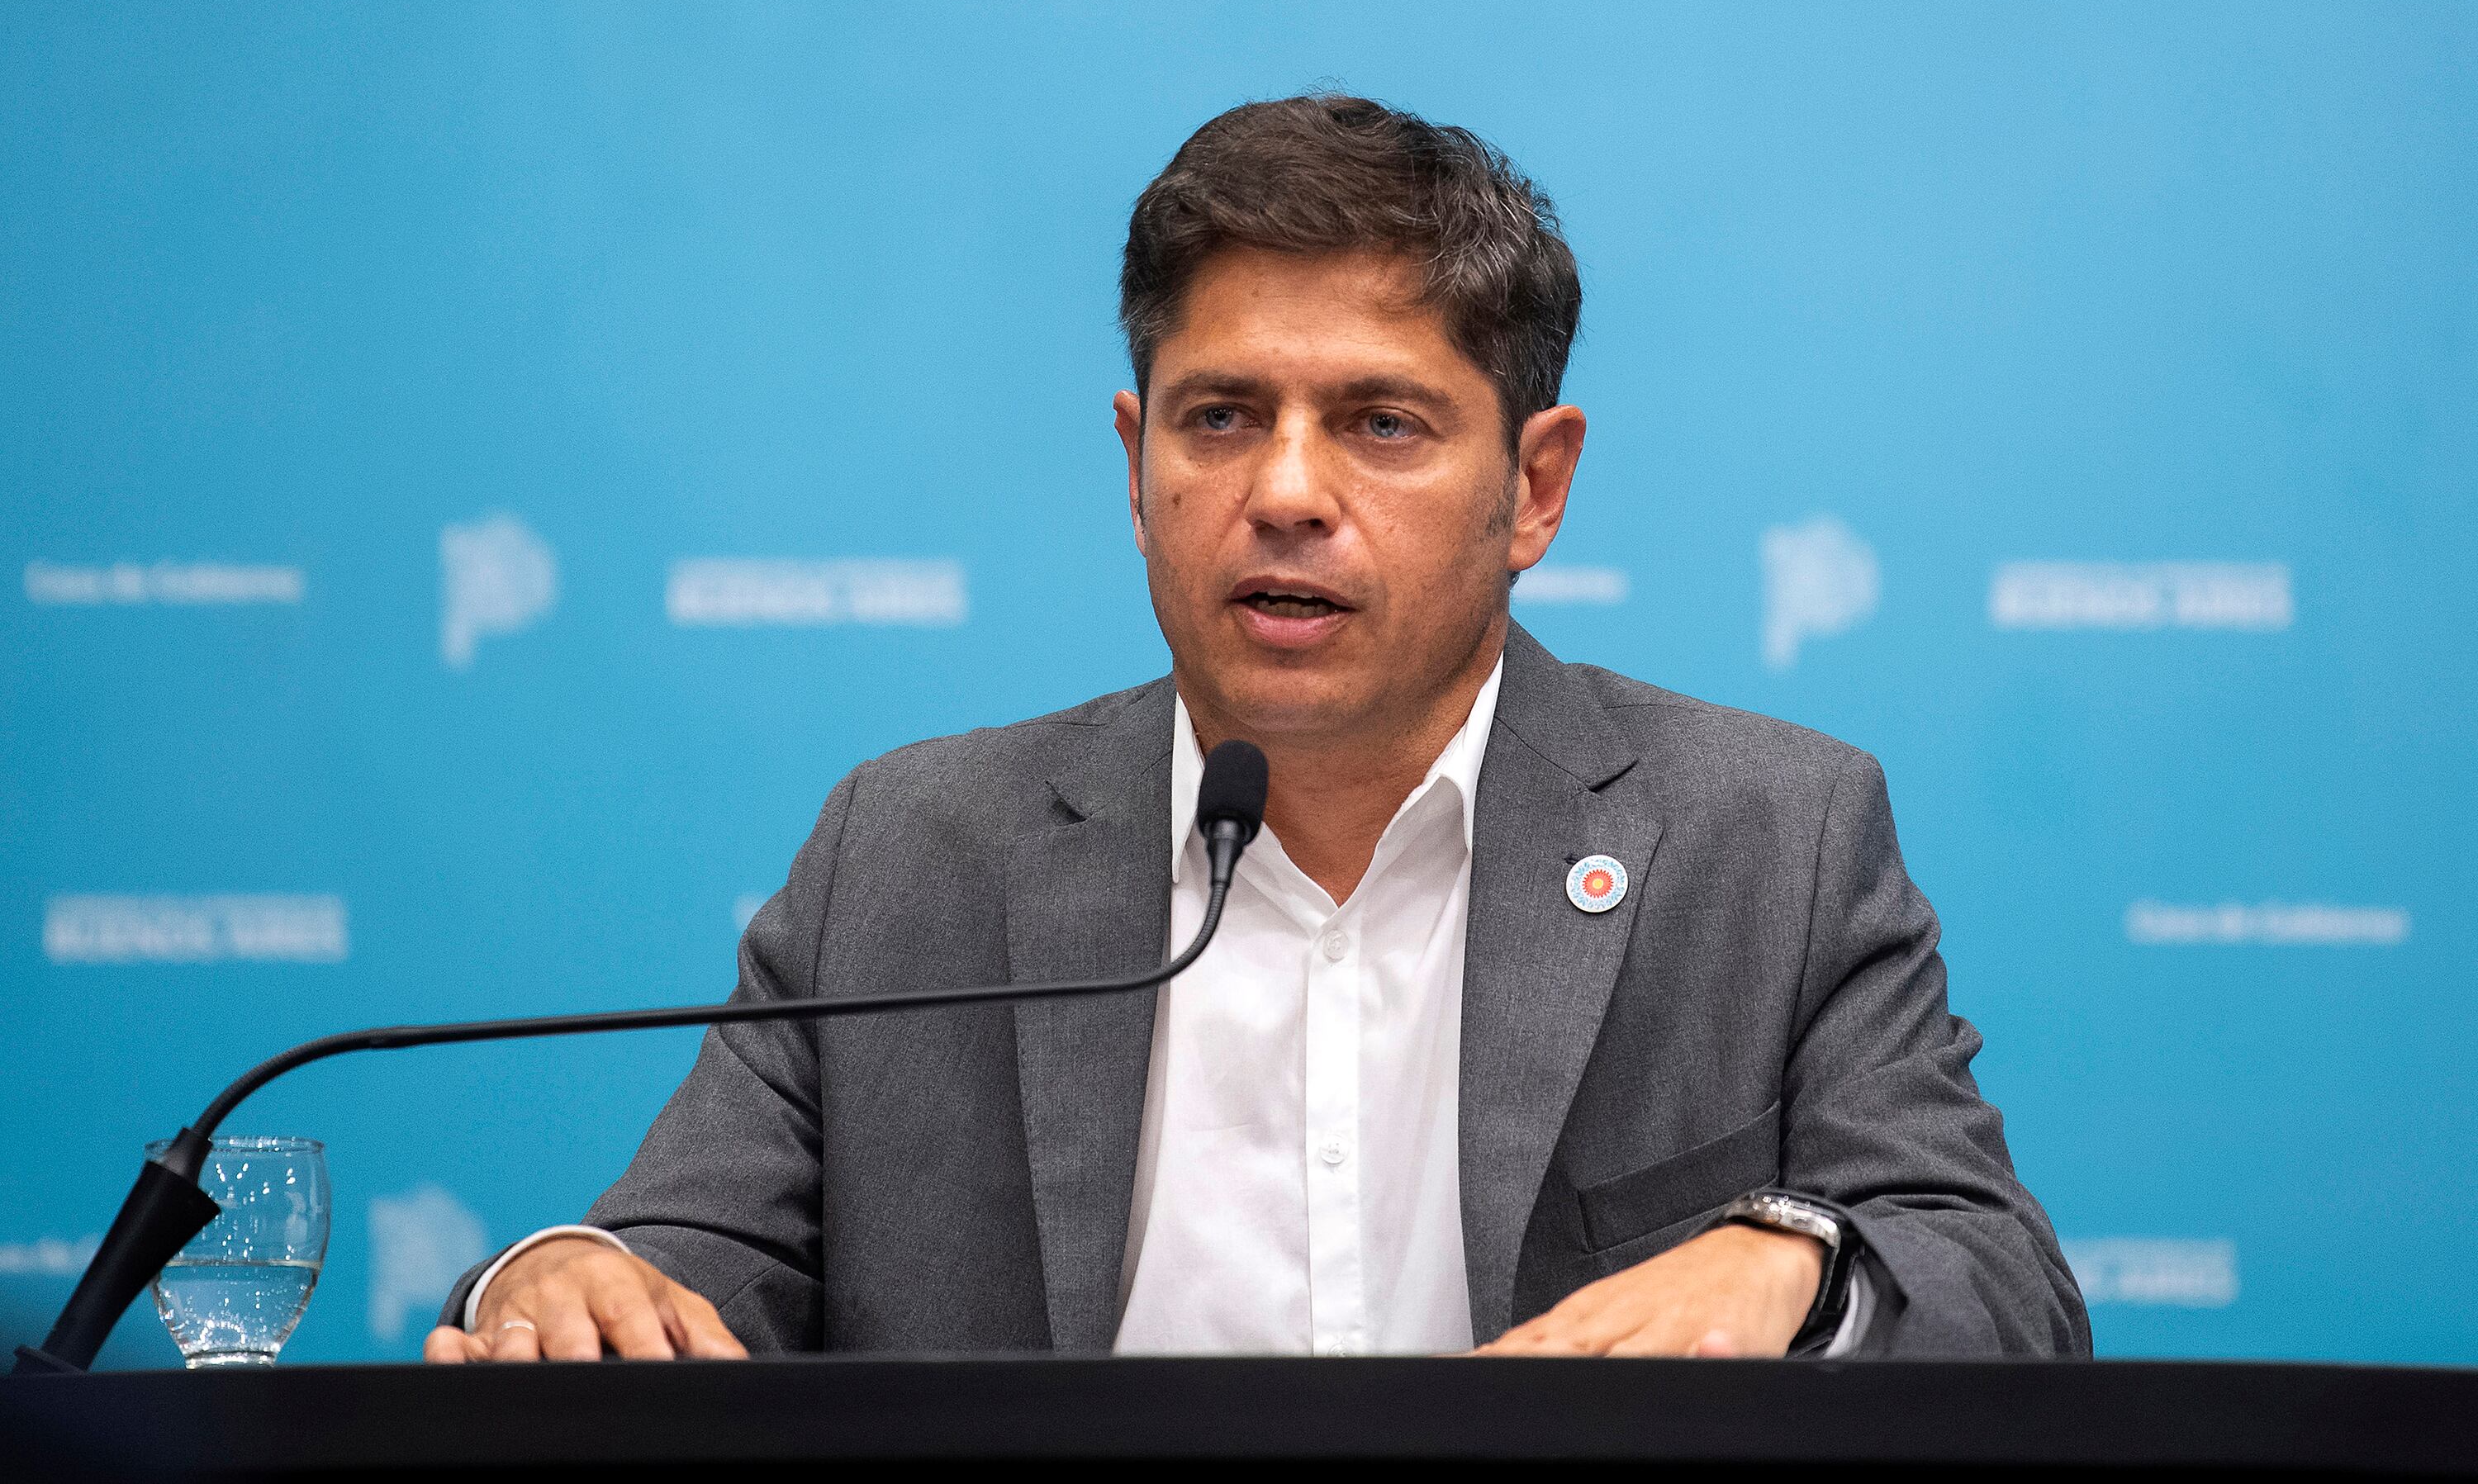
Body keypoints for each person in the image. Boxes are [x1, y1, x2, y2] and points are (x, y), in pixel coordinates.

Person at [426, 95, 2087, 1364]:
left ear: (1536, 487)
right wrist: (557, 1274)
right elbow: (674, 1263)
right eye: (1222, 417)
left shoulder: (1768, 838)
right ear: (1138, 462)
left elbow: (2000, 1281)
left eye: (1382, 424)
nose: (1287, 491)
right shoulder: (913, 851)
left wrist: (1794, 1261)